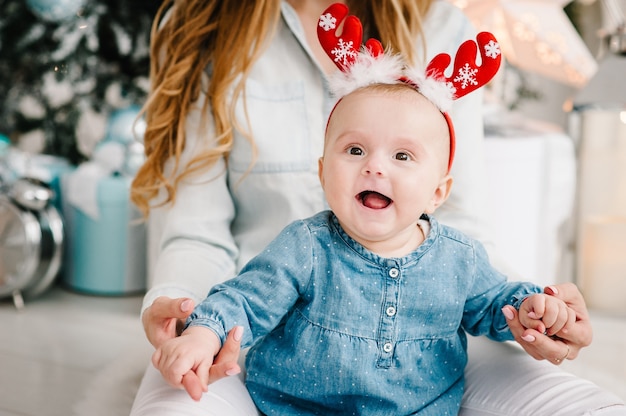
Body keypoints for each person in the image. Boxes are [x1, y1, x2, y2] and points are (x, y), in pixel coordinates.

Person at [130, 0, 623, 415]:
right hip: (261, 364)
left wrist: (537, 310)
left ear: (437, 193)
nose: (375, 169)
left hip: (425, 383)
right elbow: (240, 293)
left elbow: (491, 293)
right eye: (355, 151)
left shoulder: (458, 255)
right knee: (175, 402)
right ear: (321, 170)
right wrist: (196, 327)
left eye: (402, 156)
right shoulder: (304, 245)